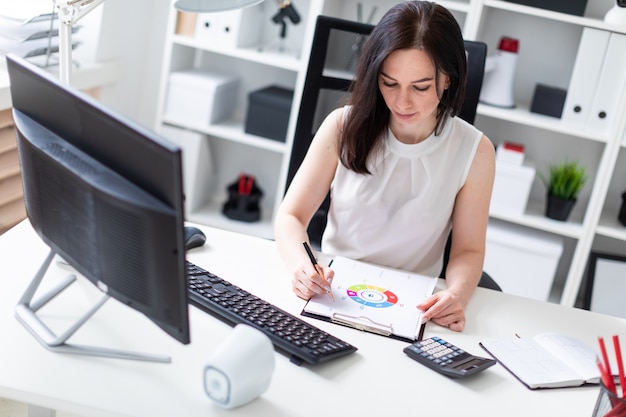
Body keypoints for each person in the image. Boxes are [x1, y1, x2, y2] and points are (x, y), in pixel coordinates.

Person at [274, 1, 495, 332]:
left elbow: (468, 250)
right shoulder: (342, 126)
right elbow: (290, 216)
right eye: (389, 83)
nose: (402, 102)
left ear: (448, 79)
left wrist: (456, 295)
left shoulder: (474, 151)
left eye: (420, 87)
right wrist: (301, 267)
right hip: (334, 297)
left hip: (413, 309)